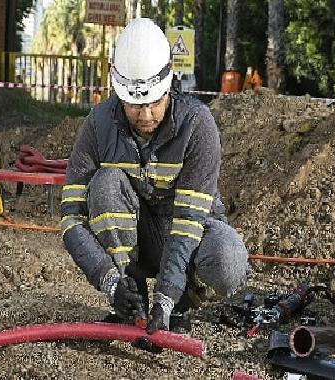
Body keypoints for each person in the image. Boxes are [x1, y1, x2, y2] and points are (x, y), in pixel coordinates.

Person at [60, 18, 248, 335]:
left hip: (186, 237)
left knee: (228, 260)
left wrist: (166, 298)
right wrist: (110, 282)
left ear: (168, 82)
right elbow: (71, 218)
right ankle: (131, 299)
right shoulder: (97, 125)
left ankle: (179, 306)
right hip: (136, 241)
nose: (145, 115)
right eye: (134, 104)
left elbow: (188, 223)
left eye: (154, 102)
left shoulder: (197, 126)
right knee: (106, 185)